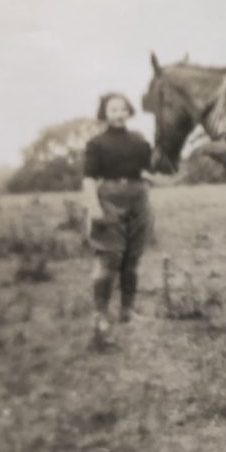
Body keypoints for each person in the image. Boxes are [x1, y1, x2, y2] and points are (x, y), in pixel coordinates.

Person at [82, 92, 154, 346]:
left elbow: (150, 166)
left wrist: (146, 180)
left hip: (138, 198)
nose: (119, 113)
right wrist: (94, 207)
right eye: (113, 109)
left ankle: (127, 311)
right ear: (104, 113)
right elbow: (89, 178)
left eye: (123, 109)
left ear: (129, 112)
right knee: (109, 257)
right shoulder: (96, 144)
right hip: (108, 198)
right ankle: (100, 314)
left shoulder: (139, 141)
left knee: (132, 258)